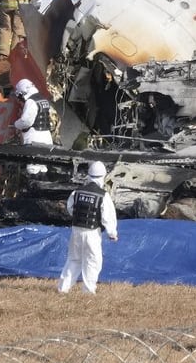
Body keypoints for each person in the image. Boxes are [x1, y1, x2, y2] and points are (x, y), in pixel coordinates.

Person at [58, 161, 119, 294]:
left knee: (74, 259)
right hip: (92, 232)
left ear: (89, 175)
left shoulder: (77, 192)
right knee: (93, 261)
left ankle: (63, 288)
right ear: (103, 176)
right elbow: (108, 216)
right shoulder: (103, 195)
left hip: (76, 230)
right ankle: (88, 290)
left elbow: (70, 208)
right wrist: (112, 233)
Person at [12, 79, 54, 177]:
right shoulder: (43, 99)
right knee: (43, 168)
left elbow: (26, 121)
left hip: (35, 139)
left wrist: (15, 124)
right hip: (46, 138)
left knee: (33, 169)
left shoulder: (31, 101)